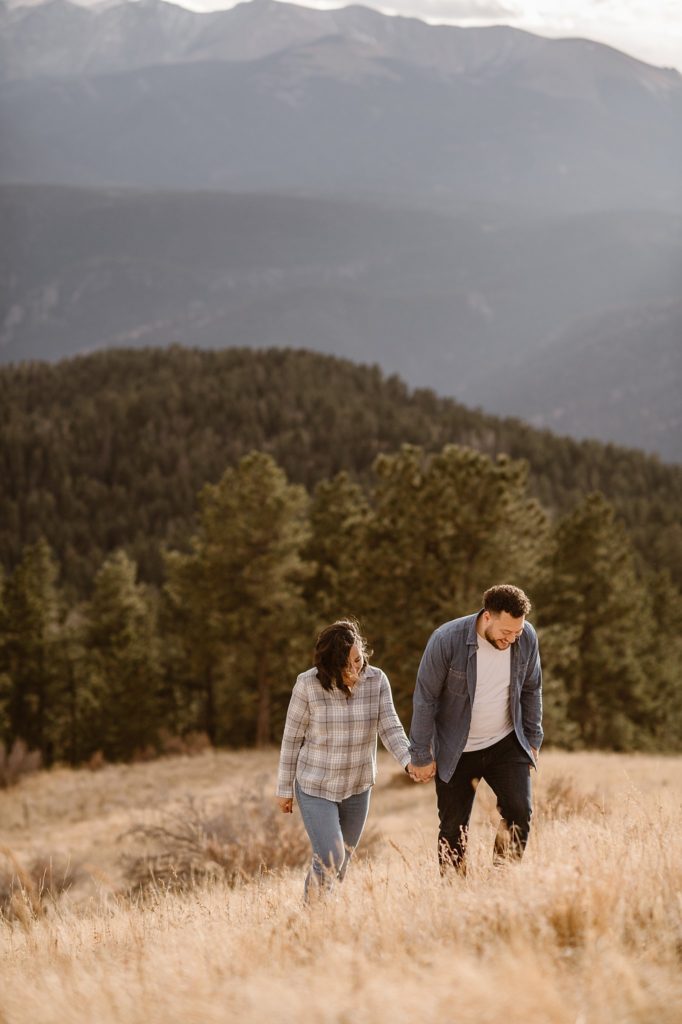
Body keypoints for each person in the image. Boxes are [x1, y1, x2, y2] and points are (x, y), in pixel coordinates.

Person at [409, 584, 543, 873]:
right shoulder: (447, 640)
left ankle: (501, 881)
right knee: (453, 829)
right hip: (457, 749)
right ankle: (454, 894)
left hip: (506, 743)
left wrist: (532, 738)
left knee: (520, 812)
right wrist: (420, 754)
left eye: (516, 633)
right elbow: (425, 698)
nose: (511, 639)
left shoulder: (526, 637)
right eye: (505, 632)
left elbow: (532, 689)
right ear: (487, 617)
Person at [276, 619, 412, 899]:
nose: (355, 670)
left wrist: (410, 762)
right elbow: (292, 739)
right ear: (329, 665)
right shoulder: (307, 685)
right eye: (346, 665)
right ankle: (312, 916)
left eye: (358, 660)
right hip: (316, 786)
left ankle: (326, 917)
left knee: (342, 861)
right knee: (330, 855)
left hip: (357, 786)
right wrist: (284, 789)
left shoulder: (377, 681)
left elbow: (390, 727)